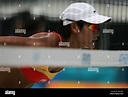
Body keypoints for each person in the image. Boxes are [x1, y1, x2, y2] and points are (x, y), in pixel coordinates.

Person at [0, 2, 111, 88]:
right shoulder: (48, 43)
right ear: (75, 27)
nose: (98, 33)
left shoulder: (70, 51)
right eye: (94, 27)